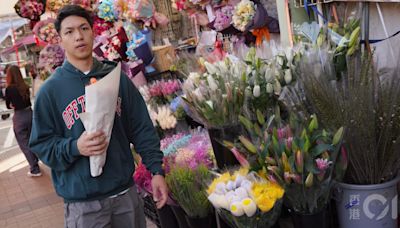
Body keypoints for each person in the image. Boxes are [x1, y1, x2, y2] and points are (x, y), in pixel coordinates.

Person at [29, 5, 168, 228]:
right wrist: (75, 147)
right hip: (83, 205)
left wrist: (156, 170)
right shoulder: (50, 92)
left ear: (93, 31)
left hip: (125, 196)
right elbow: (42, 145)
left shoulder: (117, 78)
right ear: (60, 40)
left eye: (84, 28)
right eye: (69, 31)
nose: (78, 36)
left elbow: (141, 127)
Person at [5, 65, 42, 177]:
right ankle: (36, 160)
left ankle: (35, 169)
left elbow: (8, 105)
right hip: (30, 114)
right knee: (32, 139)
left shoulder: (9, 89)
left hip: (19, 116)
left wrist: (13, 104)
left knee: (24, 143)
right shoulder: (25, 86)